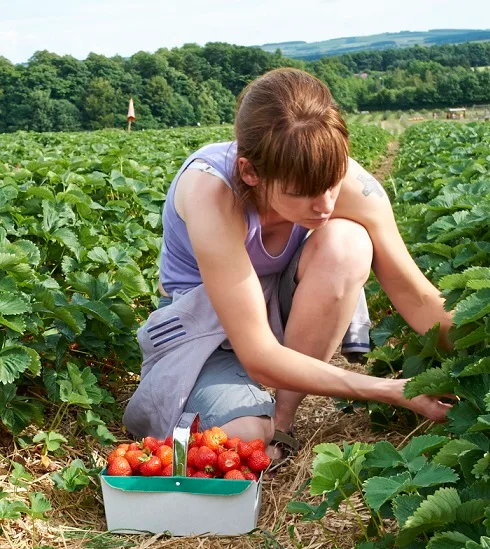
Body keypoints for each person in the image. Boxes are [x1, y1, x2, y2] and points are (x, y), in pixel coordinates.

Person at [124, 68, 453, 460]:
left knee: (347, 241)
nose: (325, 204)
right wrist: (393, 390)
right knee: (243, 439)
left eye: (333, 183)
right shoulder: (211, 194)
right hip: (203, 331)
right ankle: (236, 411)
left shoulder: (339, 180)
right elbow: (259, 356)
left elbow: (417, 297)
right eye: (302, 194)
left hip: (280, 311)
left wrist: (488, 352)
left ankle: (283, 421)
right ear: (250, 172)